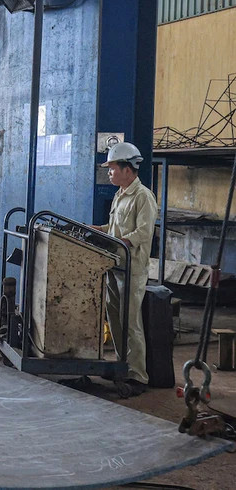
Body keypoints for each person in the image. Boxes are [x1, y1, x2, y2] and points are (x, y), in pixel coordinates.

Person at [92, 142, 158, 395]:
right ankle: (123, 365)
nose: (109, 173)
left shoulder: (143, 197)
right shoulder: (120, 195)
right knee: (115, 319)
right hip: (114, 265)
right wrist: (97, 230)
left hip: (132, 268)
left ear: (127, 169)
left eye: (112, 168)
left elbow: (143, 232)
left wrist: (119, 242)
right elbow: (113, 228)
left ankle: (138, 375)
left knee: (130, 322)